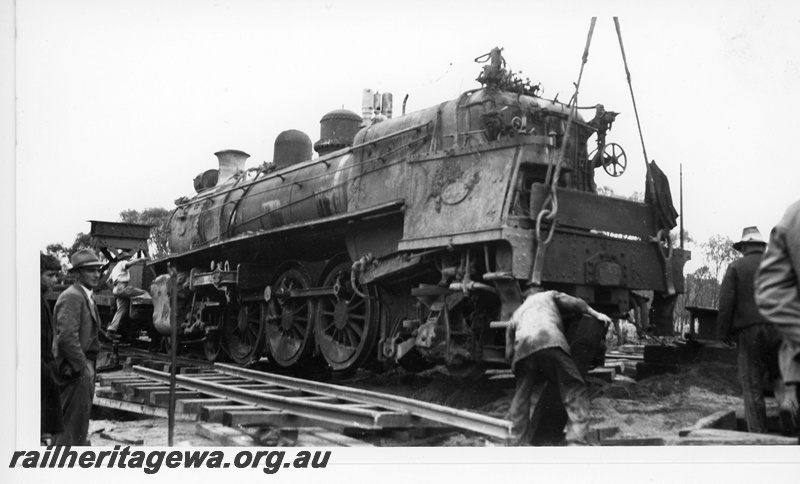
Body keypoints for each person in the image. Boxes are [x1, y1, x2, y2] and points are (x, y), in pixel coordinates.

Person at [504, 286, 612, 446]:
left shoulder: (517, 313)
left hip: (523, 351)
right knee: (574, 387)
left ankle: (515, 442)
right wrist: (597, 314)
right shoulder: (548, 295)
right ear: (539, 291)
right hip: (550, 341)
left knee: (521, 397)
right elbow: (577, 303)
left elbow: (508, 354)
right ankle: (576, 440)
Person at [717, 226, 788, 434]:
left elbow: (726, 303)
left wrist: (724, 334)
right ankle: (789, 418)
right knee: (780, 379)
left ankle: (759, 436)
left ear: (745, 246)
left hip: (750, 333)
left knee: (752, 385)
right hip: (779, 329)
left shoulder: (736, 267)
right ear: (761, 246)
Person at [755, 199, 800, 440]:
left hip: (773, 329)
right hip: (777, 331)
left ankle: (787, 402)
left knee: (768, 377)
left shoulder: (794, 216)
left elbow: (768, 294)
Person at [53, 248, 104, 446]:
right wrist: (82, 367)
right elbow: (66, 337)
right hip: (74, 369)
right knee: (71, 425)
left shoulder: (85, 296)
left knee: (77, 424)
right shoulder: (72, 296)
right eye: (90, 270)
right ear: (76, 274)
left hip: (82, 369)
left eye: (98, 270)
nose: (96, 275)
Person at [40, 253, 64, 444]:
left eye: (56, 276)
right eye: (50, 275)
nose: (55, 281)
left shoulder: (42, 299)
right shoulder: (31, 300)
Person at [106, 250, 150, 340]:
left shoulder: (115, 268)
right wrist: (140, 259)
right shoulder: (123, 263)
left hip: (116, 289)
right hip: (123, 287)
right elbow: (128, 264)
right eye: (128, 258)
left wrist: (114, 290)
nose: (129, 259)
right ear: (125, 258)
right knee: (144, 293)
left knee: (121, 310)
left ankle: (110, 331)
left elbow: (107, 282)